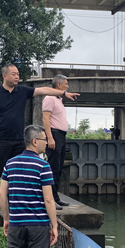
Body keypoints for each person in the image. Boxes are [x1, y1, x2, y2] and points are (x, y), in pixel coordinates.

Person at [0, 64, 79, 217]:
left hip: (19, 140)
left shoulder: (22, 91)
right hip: (0, 139)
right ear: (4, 76)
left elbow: (44, 90)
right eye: (13, 74)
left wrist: (64, 93)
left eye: (18, 74)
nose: (17, 77)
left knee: (19, 173)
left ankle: (15, 203)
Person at [42, 74, 70, 207]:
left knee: (58, 168)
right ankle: (50, 199)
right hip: (54, 134)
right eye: (66, 84)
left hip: (61, 135)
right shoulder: (49, 98)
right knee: (53, 168)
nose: (67, 86)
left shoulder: (58, 99)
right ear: (59, 85)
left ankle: (56, 197)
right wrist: (50, 138)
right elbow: (45, 119)